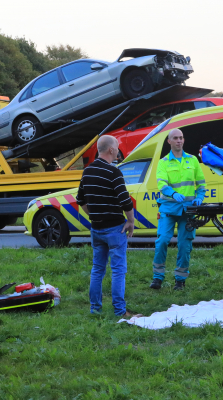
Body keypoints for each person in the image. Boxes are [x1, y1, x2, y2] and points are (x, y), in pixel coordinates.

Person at [76, 135, 137, 318]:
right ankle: (120, 310)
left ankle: (95, 309)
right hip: (115, 229)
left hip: (96, 229)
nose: (118, 150)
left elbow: (80, 200)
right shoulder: (114, 172)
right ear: (110, 150)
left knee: (97, 269)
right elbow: (125, 200)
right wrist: (131, 221)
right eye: (117, 147)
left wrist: (94, 215)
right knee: (118, 270)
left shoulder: (87, 172)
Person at [151, 128, 206, 290]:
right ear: (169, 141)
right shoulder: (163, 162)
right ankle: (157, 278)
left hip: (188, 209)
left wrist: (200, 198)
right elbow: (161, 184)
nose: (179, 140)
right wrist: (173, 194)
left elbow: (201, 184)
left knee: (184, 245)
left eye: (181, 138)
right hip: (168, 208)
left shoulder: (193, 160)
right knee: (162, 241)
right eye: (175, 138)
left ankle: (180, 280)